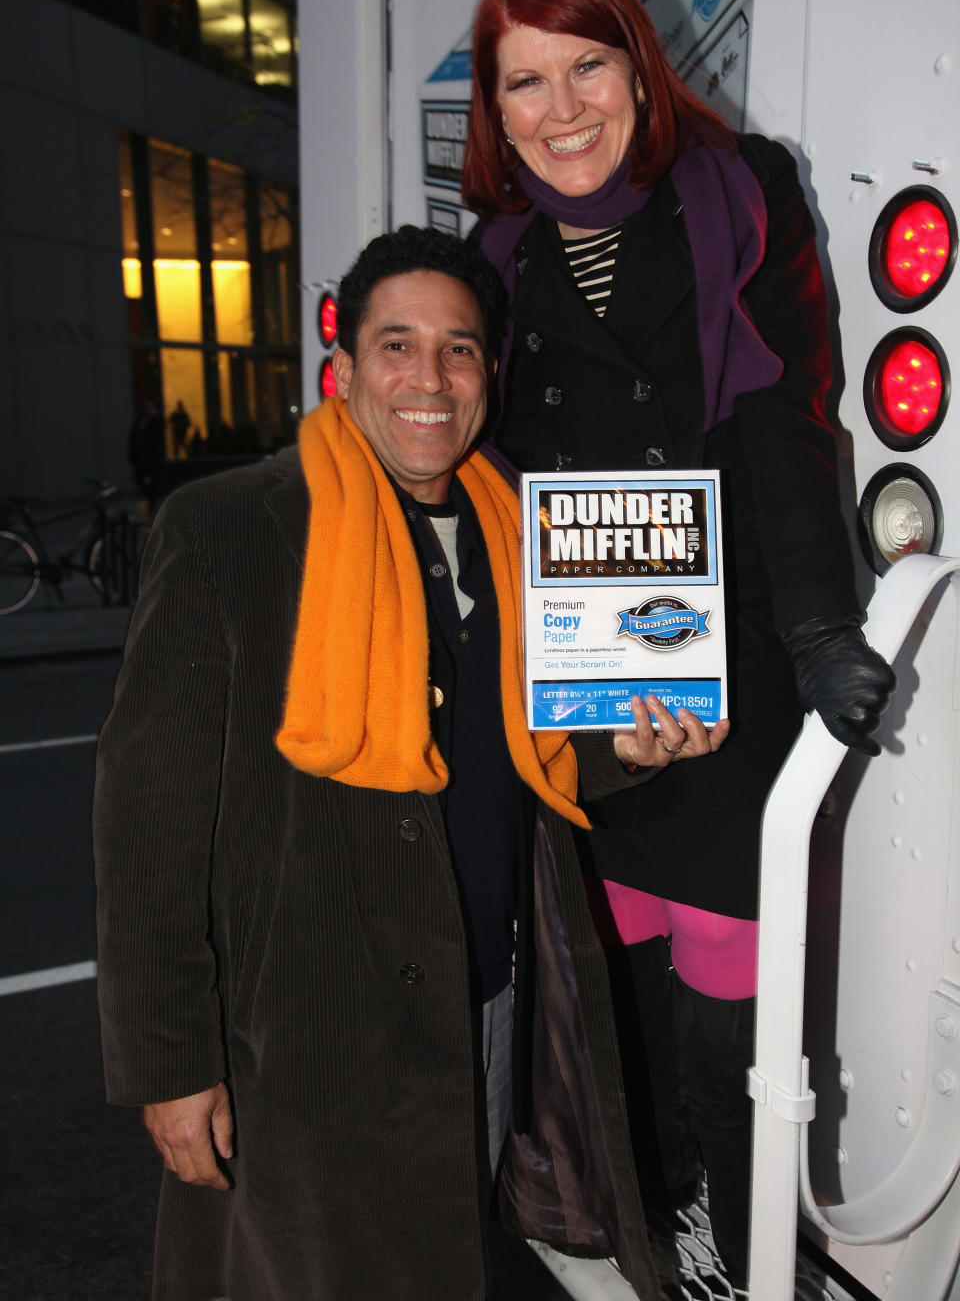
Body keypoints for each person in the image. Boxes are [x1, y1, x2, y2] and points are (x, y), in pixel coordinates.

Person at [93, 224, 725, 1301]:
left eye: (460, 348)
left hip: (479, 1007)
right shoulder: (232, 529)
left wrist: (628, 744)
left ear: (490, 371)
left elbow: (540, 749)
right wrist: (170, 1062)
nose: (429, 378)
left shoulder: (521, 532)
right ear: (343, 367)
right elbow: (147, 815)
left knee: (441, 1260)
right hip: (295, 1042)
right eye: (397, 344)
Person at [461, 0, 896, 1287]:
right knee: (620, 961)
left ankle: (758, 1237)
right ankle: (666, 1212)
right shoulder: (493, 255)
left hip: (736, 642)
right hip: (590, 660)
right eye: (523, 79)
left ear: (640, 69)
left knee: (736, 972)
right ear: (495, 104)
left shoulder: (739, 193)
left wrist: (822, 631)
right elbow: (493, 475)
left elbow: (782, 417)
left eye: (587, 63)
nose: (562, 105)